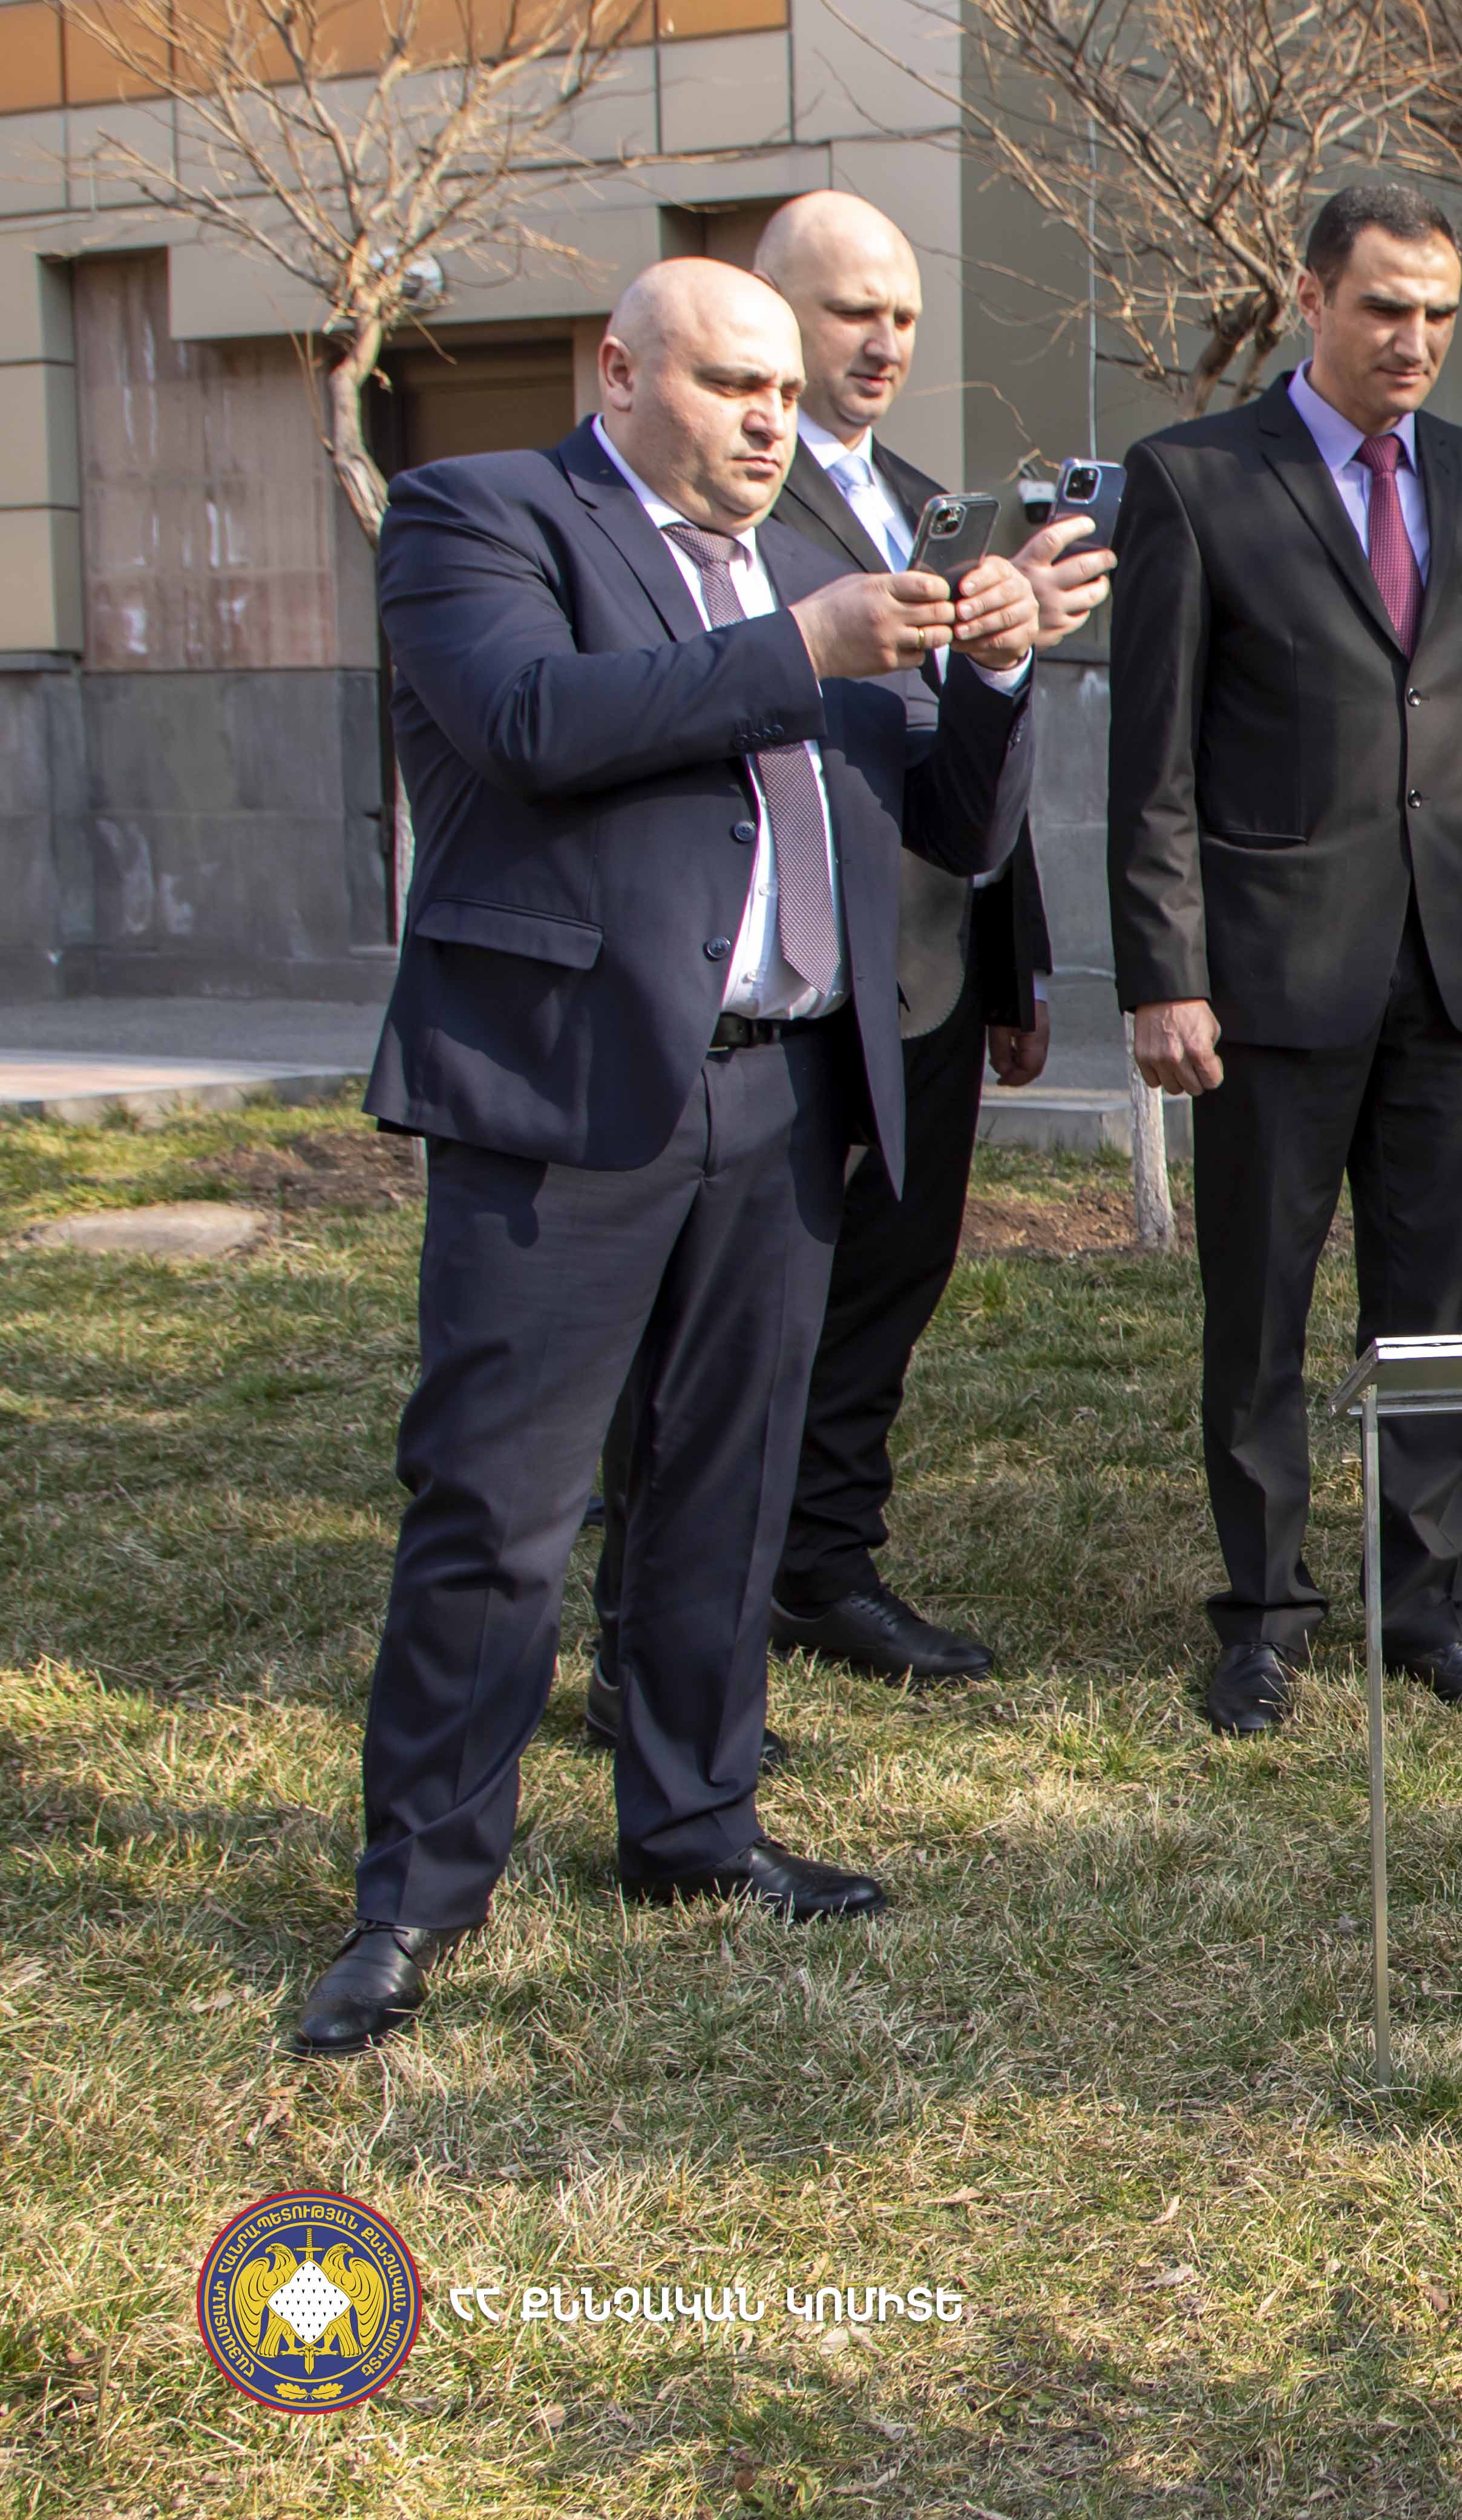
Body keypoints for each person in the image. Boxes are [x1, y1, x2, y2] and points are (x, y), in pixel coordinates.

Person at [292, 258, 1040, 2056]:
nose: (772, 421)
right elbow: (531, 724)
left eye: (784, 391)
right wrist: (807, 650)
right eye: (731, 384)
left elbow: (948, 824)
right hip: (564, 1092)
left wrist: (999, 672)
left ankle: (695, 1823)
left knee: (728, 1483)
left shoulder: (804, 571)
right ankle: (418, 1895)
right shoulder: (483, 514)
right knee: (498, 1507)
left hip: (782, 1093)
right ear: (619, 372)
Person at [576, 194, 1105, 1752]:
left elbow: (967, 755)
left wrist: (1015, 957)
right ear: (765, 314)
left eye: (904, 317)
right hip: (757, 985)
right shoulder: (712, 500)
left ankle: (820, 1563)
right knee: (703, 1330)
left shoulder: (939, 504)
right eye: (848, 312)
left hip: (922, 971)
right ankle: (645, 1625)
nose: (880, 344)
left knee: (888, 1278)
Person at [1108, 181, 1462, 1739]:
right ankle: (1262, 1615)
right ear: (1311, 299)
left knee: (1436, 1304)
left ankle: (1425, 1605)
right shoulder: (1192, 480)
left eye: (1439, 313)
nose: (1414, 340)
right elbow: (1154, 756)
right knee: (1260, 1303)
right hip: (1267, 972)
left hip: (1452, 957)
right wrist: (1162, 970)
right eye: (1384, 307)